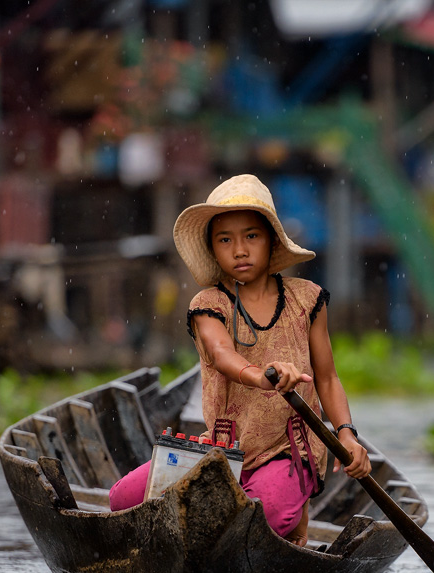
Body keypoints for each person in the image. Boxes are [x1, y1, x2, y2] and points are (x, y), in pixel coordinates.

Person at [108, 174, 370, 548]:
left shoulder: (307, 300)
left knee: (264, 517)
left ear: (271, 240)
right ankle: (248, 505)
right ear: (214, 250)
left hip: (288, 450)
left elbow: (326, 378)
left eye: (251, 236)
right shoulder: (207, 304)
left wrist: (347, 435)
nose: (240, 250)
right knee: (122, 499)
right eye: (225, 240)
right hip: (223, 449)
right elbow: (221, 355)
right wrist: (263, 377)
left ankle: (291, 510)